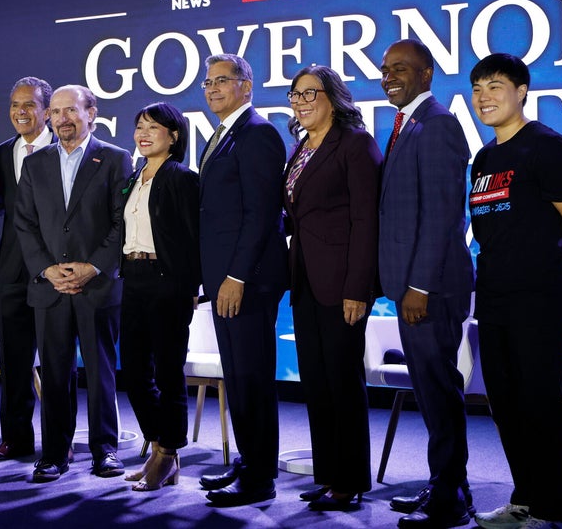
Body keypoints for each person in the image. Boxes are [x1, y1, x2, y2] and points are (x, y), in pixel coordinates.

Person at [467, 53, 562, 529]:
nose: (484, 97)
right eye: (477, 89)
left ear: (521, 91)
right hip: (494, 297)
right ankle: (525, 498)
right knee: (505, 405)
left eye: (495, 87)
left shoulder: (549, 148)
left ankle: (552, 508)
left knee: (541, 404)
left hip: (541, 299)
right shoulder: (485, 158)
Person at [376, 39, 476, 528]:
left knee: (438, 389)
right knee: (431, 390)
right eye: (385, 69)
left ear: (427, 73)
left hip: (432, 288)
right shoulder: (407, 124)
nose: (389, 76)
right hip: (415, 287)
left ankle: (450, 499)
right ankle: (446, 483)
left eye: (401, 68)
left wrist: (418, 286)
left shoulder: (437, 124)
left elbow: (442, 216)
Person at [14, 84, 133, 483]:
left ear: (91, 113)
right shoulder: (35, 163)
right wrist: (47, 269)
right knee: (54, 374)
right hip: (49, 287)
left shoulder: (115, 158)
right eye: (55, 111)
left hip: (96, 286)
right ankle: (53, 454)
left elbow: (121, 222)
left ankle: (105, 450)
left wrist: (93, 267)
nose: (61, 118)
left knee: (101, 372)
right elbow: (24, 224)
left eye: (70, 110)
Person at [282, 65, 381, 511]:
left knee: (342, 382)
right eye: (295, 94)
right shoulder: (301, 148)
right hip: (305, 281)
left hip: (343, 284)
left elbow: (366, 220)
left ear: (334, 98)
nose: (301, 102)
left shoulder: (356, 144)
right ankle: (329, 475)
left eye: (310, 93)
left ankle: (350, 481)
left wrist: (358, 287)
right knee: (317, 383)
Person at [196, 53, 288, 507]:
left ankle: (259, 478)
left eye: (221, 80)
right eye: (208, 82)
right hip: (223, 280)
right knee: (237, 376)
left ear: (246, 87)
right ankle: (249, 461)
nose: (212, 88)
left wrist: (236, 276)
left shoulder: (258, 133)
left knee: (252, 377)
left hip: (247, 280)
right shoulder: (220, 135)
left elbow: (261, 214)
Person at [118, 102, 201, 492]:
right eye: (139, 126)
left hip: (167, 281)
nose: (143, 133)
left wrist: (190, 288)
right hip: (132, 278)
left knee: (168, 373)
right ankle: (160, 448)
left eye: (153, 127)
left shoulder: (182, 178)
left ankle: (167, 454)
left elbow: (193, 238)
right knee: (134, 373)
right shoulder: (134, 176)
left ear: (174, 135)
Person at [0, 76, 55, 463]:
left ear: (47, 111)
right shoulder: (2, 153)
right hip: (11, 273)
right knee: (13, 362)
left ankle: (58, 443)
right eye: (14, 105)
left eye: (29, 105)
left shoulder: (66, 149)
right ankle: (15, 439)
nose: (20, 112)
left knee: (57, 364)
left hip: (56, 273)